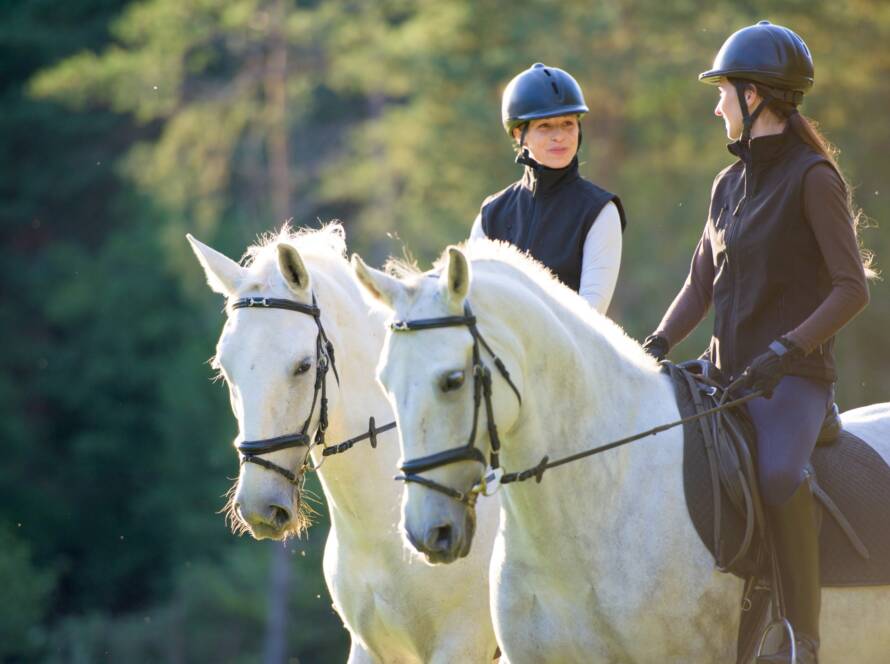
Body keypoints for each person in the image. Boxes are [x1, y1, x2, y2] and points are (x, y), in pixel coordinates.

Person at [642, 21, 871, 664]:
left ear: (758, 97)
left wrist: (787, 351)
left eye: (725, 92)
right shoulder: (726, 186)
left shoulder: (813, 178)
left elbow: (852, 290)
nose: (717, 104)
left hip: (793, 381)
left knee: (777, 477)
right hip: (725, 376)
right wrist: (655, 343)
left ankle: (802, 635)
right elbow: (698, 286)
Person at [469, 63, 627, 314]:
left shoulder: (600, 211)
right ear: (519, 133)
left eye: (568, 124)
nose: (560, 136)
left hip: (571, 351)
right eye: (545, 126)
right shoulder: (491, 215)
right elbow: (474, 303)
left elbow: (590, 316)